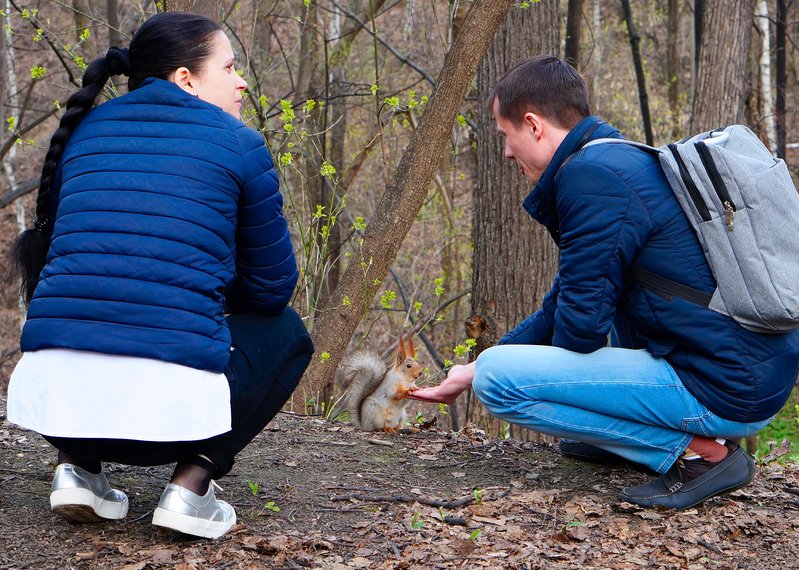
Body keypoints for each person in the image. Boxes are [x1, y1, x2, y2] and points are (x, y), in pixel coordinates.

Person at [409, 55, 799, 510]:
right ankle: (627, 437)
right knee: (496, 367)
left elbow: (580, 328)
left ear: (533, 125)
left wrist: (484, 370)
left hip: (726, 387)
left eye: (506, 136)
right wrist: (473, 365)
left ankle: (701, 455)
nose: (507, 153)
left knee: (499, 382)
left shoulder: (591, 178)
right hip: (750, 372)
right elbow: (562, 306)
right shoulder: (614, 160)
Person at [6, 12, 313, 539]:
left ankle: (78, 472)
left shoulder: (84, 132)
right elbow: (271, 290)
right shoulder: (238, 143)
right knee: (286, 331)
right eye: (231, 66)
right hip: (173, 414)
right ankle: (190, 488)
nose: (242, 81)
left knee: (99, 305)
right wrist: (204, 288)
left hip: (58, 403)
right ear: (185, 77)